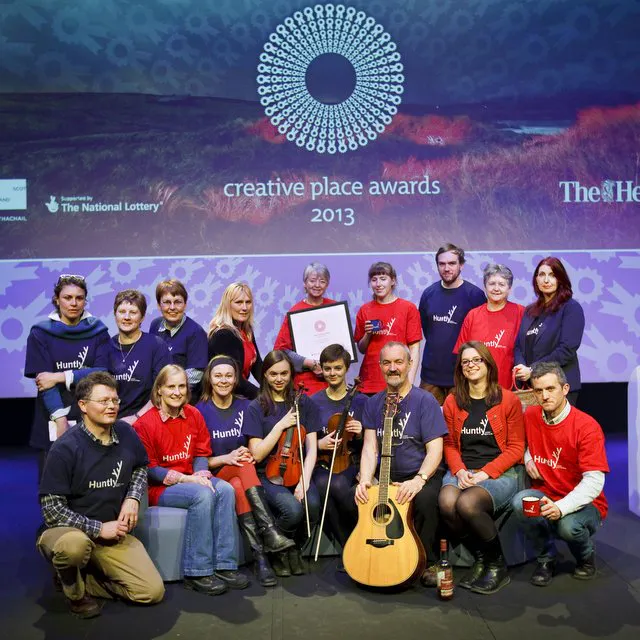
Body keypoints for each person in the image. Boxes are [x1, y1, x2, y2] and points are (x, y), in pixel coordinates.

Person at [37, 372, 164, 619]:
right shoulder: (65, 448)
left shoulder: (126, 433)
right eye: (103, 401)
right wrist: (97, 528)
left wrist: (133, 497)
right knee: (74, 547)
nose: (112, 406)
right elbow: (52, 510)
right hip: (69, 531)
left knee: (151, 592)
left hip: (112, 533)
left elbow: (140, 467)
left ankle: (82, 578)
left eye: (115, 400)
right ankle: (75, 592)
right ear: (83, 406)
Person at [134, 364, 249, 595]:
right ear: (159, 390)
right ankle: (198, 571)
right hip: (161, 487)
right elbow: (150, 469)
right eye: (171, 387)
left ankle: (224, 564)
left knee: (225, 489)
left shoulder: (194, 414)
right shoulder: (144, 424)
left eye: (182, 386)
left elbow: (201, 453)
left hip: (192, 477)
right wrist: (188, 480)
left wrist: (199, 475)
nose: (177, 392)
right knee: (202, 495)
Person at [195, 355, 294, 587]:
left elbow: (254, 445)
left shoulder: (246, 406)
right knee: (242, 466)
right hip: (217, 474)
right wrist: (227, 458)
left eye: (228, 376)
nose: (223, 380)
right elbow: (198, 461)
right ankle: (270, 532)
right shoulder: (199, 411)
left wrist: (246, 454)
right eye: (218, 376)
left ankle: (260, 558)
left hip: (243, 475)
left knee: (240, 481)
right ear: (209, 378)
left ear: (236, 379)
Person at [355, 342, 447, 586]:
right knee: (356, 495)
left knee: (425, 499)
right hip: (387, 474)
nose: (393, 368)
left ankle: (428, 561)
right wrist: (366, 480)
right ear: (380, 366)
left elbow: (435, 449)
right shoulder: (373, 403)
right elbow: (370, 447)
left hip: (420, 473)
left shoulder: (425, 401)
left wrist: (419, 480)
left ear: (409, 364)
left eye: (398, 362)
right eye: (387, 363)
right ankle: (365, 555)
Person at [511, 362, 608, 586]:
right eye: (538, 390)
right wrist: (528, 457)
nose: (544, 396)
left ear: (565, 389)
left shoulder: (586, 426)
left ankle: (585, 557)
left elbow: (594, 481)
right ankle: (546, 558)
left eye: (550, 389)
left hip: (586, 503)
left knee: (568, 527)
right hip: (547, 493)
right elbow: (521, 443)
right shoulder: (531, 415)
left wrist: (561, 507)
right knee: (520, 503)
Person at [440, 341, 525, 594]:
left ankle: (497, 565)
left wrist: (485, 474)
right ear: (460, 368)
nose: (471, 365)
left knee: (468, 503)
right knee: (447, 502)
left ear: (488, 364)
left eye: (477, 360)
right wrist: (460, 471)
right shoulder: (452, 401)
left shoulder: (507, 399)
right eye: (465, 362)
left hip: (499, 473)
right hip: (463, 470)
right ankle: (480, 557)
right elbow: (449, 444)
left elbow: (516, 448)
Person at [242, 351, 322, 577]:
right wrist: (280, 425)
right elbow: (257, 454)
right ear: (265, 375)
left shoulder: (304, 403)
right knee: (292, 510)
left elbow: (311, 449)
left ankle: (294, 550)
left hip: (299, 470)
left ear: (291, 374)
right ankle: (278, 552)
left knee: (312, 505)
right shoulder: (256, 407)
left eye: (284, 373)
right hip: (268, 473)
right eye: (273, 374)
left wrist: (304, 481)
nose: (279, 379)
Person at [25, 274, 110, 475]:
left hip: (91, 413)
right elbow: (45, 382)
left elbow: (102, 371)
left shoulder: (98, 331)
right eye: (67, 297)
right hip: (53, 413)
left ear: (85, 301)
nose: (73, 303)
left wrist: (60, 376)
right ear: (57, 300)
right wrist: (60, 418)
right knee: (54, 481)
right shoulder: (40, 333)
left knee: (90, 479)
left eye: (79, 298)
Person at [311, 344, 365, 552]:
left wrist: (360, 432)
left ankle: (356, 542)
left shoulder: (360, 401)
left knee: (340, 484)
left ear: (346, 369)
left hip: (351, 461)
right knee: (322, 485)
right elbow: (304, 441)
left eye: (337, 368)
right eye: (327, 368)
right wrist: (319, 444)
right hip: (323, 462)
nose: (332, 373)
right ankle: (347, 547)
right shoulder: (314, 402)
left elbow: (372, 443)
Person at [418, 243, 486, 405]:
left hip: (463, 375)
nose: (446, 268)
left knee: (461, 420)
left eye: (452, 263)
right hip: (430, 376)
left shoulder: (475, 295)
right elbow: (427, 330)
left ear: (461, 265)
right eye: (442, 264)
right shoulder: (428, 294)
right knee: (427, 420)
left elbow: (480, 336)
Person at [513, 257, 585, 405]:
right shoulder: (530, 311)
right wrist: (521, 368)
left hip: (559, 386)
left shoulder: (571, 308)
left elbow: (566, 350)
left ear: (560, 279)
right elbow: (519, 346)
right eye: (541, 275)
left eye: (552, 275)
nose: (546, 280)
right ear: (536, 279)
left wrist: (532, 370)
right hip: (532, 387)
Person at [98, 289, 171, 423]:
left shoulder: (156, 346)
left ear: (142, 317)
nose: (127, 317)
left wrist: (137, 418)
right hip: (111, 421)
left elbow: (162, 391)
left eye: (133, 312)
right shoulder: (105, 347)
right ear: (115, 314)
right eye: (122, 312)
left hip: (147, 421)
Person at [354, 262, 422, 394]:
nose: (378, 284)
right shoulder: (364, 310)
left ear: (393, 281)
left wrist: (409, 383)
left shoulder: (408, 308)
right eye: (374, 280)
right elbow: (361, 349)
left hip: (397, 380)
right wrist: (368, 334)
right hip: (369, 382)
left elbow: (414, 348)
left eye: (383, 279)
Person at [454, 264, 524, 390]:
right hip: (476, 389)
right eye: (492, 284)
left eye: (501, 284)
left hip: (510, 389)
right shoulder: (472, 315)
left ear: (509, 288)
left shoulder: (521, 312)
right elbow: (461, 354)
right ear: (485, 286)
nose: (496, 288)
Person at [274, 262, 335, 395]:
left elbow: (344, 344)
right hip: (305, 384)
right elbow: (281, 350)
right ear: (305, 283)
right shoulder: (295, 312)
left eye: (322, 281)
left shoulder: (334, 309)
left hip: (334, 380)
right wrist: (309, 363)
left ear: (327, 284)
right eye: (312, 281)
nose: (317, 285)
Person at [150, 279, 208, 394]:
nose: (172, 307)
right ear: (159, 305)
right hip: (158, 393)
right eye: (167, 302)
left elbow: (195, 375)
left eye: (177, 302)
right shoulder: (155, 325)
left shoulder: (196, 332)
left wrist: (169, 390)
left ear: (185, 304)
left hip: (183, 396)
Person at [207, 282, 263, 400]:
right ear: (228, 305)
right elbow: (235, 379)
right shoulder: (223, 335)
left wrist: (274, 389)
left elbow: (258, 367)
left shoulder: (246, 330)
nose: (244, 308)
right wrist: (262, 396)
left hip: (241, 396)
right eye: (239, 302)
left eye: (248, 302)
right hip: (226, 399)